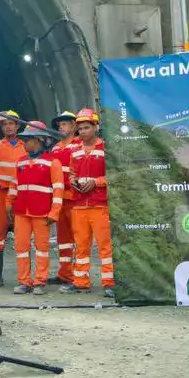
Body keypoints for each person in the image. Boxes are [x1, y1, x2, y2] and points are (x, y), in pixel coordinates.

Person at [61, 108, 115, 298]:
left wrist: (96, 182)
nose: (82, 131)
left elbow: (115, 176)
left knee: (105, 246)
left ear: (96, 127)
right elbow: (72, 173)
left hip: (99, 204)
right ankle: (81, 282)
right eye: (80, 128)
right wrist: (73, 181)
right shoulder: (74, 151)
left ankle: (109, 283)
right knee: (81, 245)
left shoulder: (106, 149)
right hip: (79, 205)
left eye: (86, 127)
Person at [7, 121, 64, 295]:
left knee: (42, 249)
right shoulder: (20, 162)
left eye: (27, 140)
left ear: (38, 140)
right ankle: (24, 282)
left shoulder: (53, 163)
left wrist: (55, 212)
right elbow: (14, 185)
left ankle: (40, 281)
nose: (23, 143)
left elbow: (58, 189)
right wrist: (9, 203)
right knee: (21, 248)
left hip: (42, 214)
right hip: (21, 213)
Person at [0, 110, 25, 287]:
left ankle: (24, 277)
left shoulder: (26, 146)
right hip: (1, 193)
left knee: (22, 234)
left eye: (11, 123)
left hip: (20, 194)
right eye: (5, 124)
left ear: (17, 126)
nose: (8, 127)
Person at [50, 110, 78, 286]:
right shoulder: (55, 148)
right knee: (63, 239)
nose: (61, 126)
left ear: (74, 125)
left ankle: (79, 275)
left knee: (78, 237)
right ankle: (65, 274)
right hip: (61, 199)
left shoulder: (79, 146)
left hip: (76, 198)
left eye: (65, 123)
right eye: (60, 124)